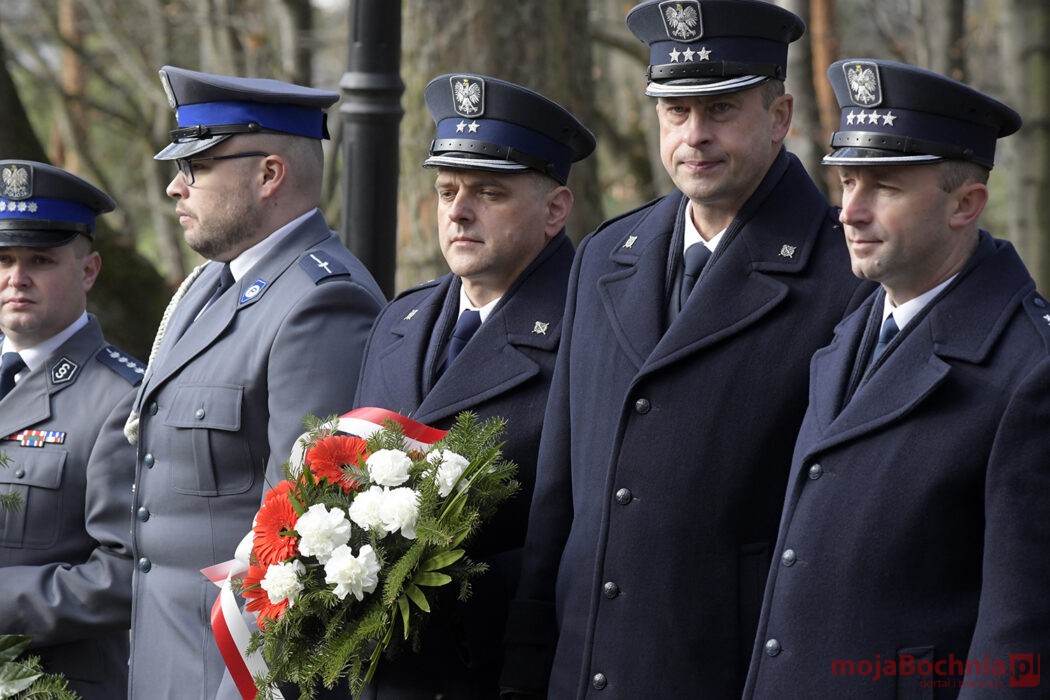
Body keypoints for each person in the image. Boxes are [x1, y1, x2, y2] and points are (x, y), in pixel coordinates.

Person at [501, 1, 874, 697]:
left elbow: (842, 538)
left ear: (780, 117)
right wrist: (527, 669)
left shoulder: (845, 277)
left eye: (721, 109)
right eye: (676, 111)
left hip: (727, 673)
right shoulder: (606, 255)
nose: (694, 135)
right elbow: (559, 497)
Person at [743, 59, 1049, 698]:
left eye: (883, 187)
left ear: (965, 204)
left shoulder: (1030, 368)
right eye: (846, 182)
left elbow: (1021, 633)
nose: (849, 213)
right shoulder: (854, 327)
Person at [126, 66, 385, 699]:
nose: (174, 186)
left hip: (231, 677)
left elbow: (298, 549)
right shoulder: (209, 286)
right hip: (164, 665)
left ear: (269, 174)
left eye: (196, 167)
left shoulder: (321, 303)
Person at [352, 73, 595, 699]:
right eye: (447, 190)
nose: (458, 211)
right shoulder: (399, 322)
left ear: (555, 210)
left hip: (500, 672)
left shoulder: (591, 330)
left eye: (489, 192)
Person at [0, 160, 143, 699]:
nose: (17, 278)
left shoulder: (124, 398)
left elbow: (126, 574)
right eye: (3, 259)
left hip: (55, 685)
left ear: (88, 271)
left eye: (40, 259)